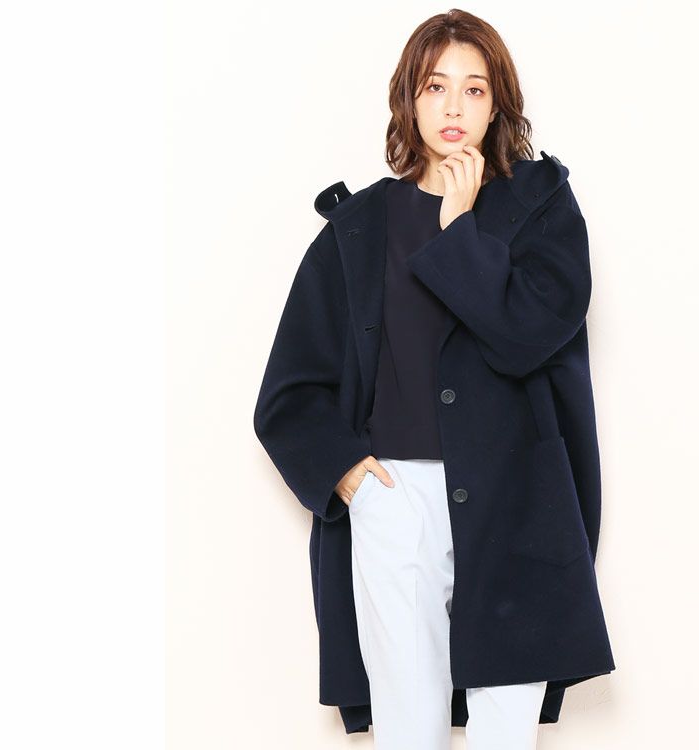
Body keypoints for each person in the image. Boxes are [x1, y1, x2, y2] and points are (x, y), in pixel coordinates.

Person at [253, 9, 615, 749]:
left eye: (474, 89)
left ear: (498, 102)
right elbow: (289, 390)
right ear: (408, 100)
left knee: (505, 734)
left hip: (516, 500)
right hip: (395, 500)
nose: (454, 107)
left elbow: (526, 338)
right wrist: (352, 480)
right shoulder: (360, 227)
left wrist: (459, 227)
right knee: (408, 729)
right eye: (435, 86)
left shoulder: (540, 207)